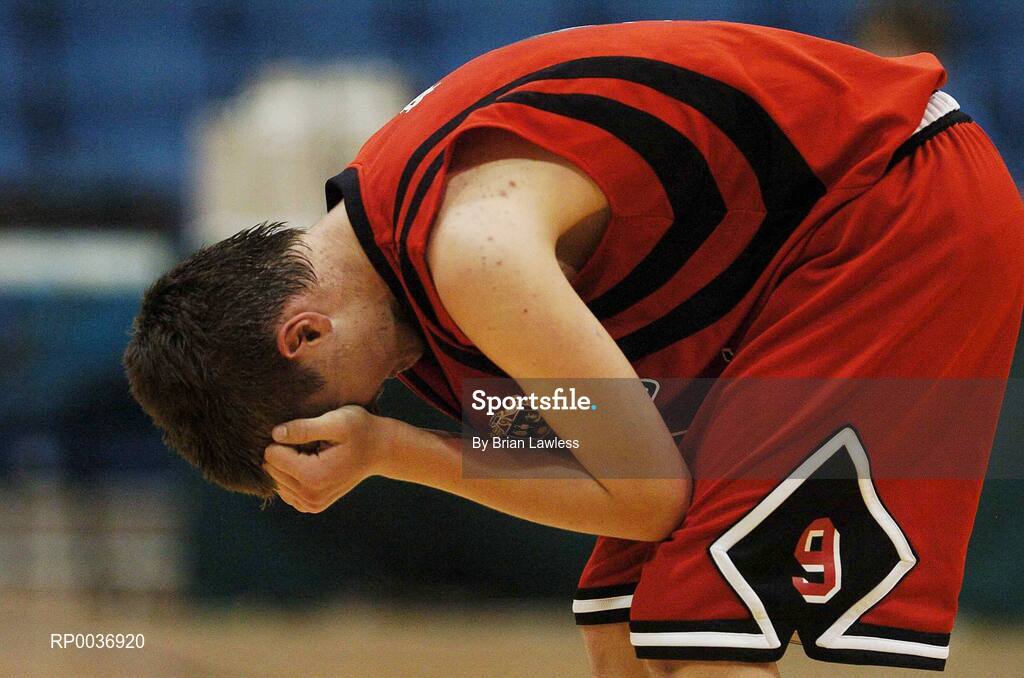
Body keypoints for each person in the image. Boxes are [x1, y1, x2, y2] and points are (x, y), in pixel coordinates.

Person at [123, 21, 1024, 676]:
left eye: (334, 411)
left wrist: (393, 452)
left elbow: (642, 492)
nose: (371, 404)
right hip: (800, 249)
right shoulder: (399, 237)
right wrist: (408, 444)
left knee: (691, 633)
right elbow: (577, 451)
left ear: (304, 332)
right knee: (624, 625)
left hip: (895, 208)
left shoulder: (472, 255)